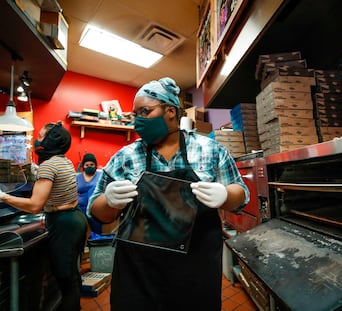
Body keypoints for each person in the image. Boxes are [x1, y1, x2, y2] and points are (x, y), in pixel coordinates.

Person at [88, 77, 250, 311]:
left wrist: (225, 195)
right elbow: (97, 211)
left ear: (170, 111)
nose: (138, 121)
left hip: (195, 269)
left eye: (145, 111)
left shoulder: (210, 150)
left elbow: (241, 195)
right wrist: (109, 201)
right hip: (139, 272)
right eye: (135, 115)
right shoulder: (125, 157)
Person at [0, 121, 88, 311]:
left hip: (64, 222)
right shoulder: (64, 160)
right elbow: (52, 179)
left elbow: (34, 206)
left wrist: (3, 196)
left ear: (51, 140)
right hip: (76, 218)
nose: (37, 140)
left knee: (64, 277)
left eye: (41, 136)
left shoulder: (49, 165)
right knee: (72, 275)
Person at [76, 153, 103, 235]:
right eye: (86, 165)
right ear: (83, 166)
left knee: (96, 231)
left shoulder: (101, 175)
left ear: (95, 165)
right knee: (80, 232)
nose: (89, 166)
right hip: (80, 209)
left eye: (92, 164)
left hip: (95, 209)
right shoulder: (77, 177)